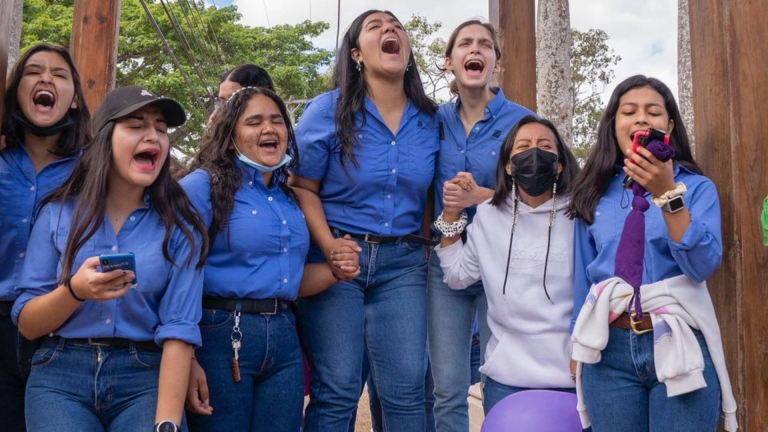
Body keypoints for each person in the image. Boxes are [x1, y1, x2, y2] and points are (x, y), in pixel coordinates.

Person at [11, 85, 208, 432]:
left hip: (146, 373)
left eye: (161, 129)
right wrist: (74, 291)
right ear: (105, 138)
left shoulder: (181, 225)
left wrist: (166, 425)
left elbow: (179, 329)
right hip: (60, 374)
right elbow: (27, 323)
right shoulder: (58, 213)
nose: (154, 137)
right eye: (136, 125)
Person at [291, 9, 439, 431]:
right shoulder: (327, 110)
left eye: (396, 26)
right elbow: (302, 186)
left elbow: (432, 191)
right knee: (337, 389)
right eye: (376, 27)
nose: (389, 30)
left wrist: (427, 247)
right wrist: (329, 247)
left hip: (405, 266)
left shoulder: (431, 119)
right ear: (356, 54)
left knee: (408, 389)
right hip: (338, 261)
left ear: (407, 53)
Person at [181, 86, 358, 432]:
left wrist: (337, 270)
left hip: (283, 335)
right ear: (230, 135)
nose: (269, 129)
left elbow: (288, 281)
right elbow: (174, 276)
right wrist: (185, 358)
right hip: (220, 336)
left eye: (277, 121)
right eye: (254, 122)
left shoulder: (288, 198)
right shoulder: (202, 186)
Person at [568, 75, 737, 432]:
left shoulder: (696, 188)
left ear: (670, 125)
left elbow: (702, 266)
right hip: (607, 351)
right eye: (629, 111)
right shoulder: (593, 193)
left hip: (679, 340)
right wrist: (574, 340)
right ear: (614, 125)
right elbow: (584, 276)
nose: (641, 119)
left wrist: (668, 194)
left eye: (654, 112)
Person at [428, 19, 534, 432]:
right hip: (443, 265)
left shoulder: (525, 124)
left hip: (504, 265)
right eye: (466, 43)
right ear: (449, 61)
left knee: (500, 380)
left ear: (496, 63)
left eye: (485, 45)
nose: (476, 50)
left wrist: (485, 195)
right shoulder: (428, 122)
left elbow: (548, 198)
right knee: (448, 387)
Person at [435, 116, 580, 414]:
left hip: (574, 374)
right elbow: (457, 275)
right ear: (508, 166)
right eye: (523, 146)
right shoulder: (488, 215)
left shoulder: (582, 215)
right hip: (507, 378)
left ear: (560, 163)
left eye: (545, 146)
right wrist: (451, 216)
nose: (535, 153)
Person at [0, 43, 92, 432]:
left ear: (73, 99)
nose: (46, 79)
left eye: (59, 74)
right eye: (34, 71)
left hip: (63, 330)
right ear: (16, 90)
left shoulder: (96, 169)